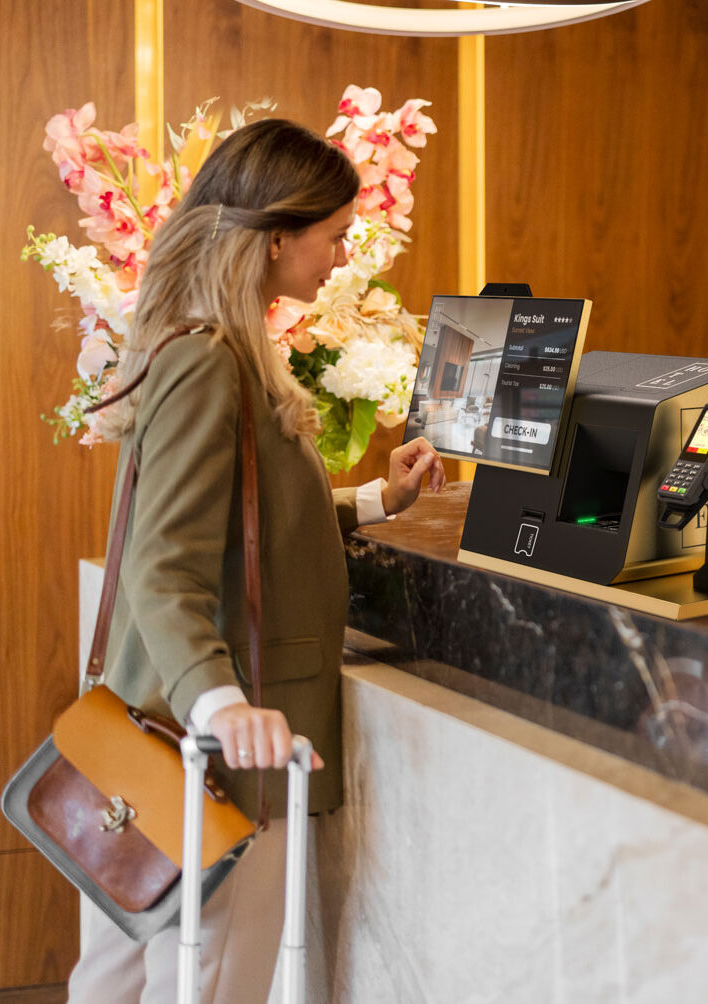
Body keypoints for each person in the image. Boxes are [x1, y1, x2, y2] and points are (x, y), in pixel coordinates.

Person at [67, 118, 446, 1002]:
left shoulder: (200, 346)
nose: (341, 258)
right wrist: (226, 706)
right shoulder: (211, 363)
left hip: (151, 745)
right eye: (335, 236)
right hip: (218, 754)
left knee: (119, 982)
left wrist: (374, 501)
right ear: (277, 237)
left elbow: (243, 526)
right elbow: (164, 567)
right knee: (209, 982)